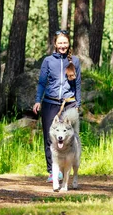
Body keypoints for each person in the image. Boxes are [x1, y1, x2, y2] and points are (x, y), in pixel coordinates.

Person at [33, 30, 82, 182]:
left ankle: (68, 169)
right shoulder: (48, 61)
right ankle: (53, 171)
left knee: (71, 138)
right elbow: (42, 83)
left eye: (65, 43)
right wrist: (37, 100)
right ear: (55, 44)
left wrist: (78, 104)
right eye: (60, 43)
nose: (62, 46)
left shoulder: (75, 61)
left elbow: (78, 84)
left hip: (69, 103)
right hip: (50, 103)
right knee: (51, 138)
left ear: (68, 44)